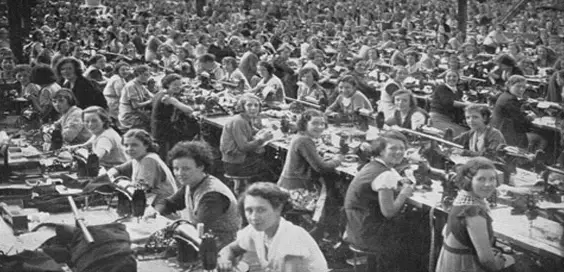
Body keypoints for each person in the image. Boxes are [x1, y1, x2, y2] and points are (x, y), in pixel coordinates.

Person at [344, 130, 427, 272]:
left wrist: (401, 183)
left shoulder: (373, 165)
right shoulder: (385, 174)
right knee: (420, 232)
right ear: (381, 151)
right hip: (369, 234)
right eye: (393, 148)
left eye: (402, 148)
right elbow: (389, 212)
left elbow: (394, 178)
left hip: (356, 227)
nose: (399, 152)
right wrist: (403, 194)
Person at [217, 182, 328, 272]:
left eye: (261, 210)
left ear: (278, 209)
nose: (254, 217)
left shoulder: (291, 242)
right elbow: (231, 249)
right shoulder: (258, 230)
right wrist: (224, 259)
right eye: (249, 210)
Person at [153, 141, 241, 248]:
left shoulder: (213, 196)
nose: (180, 173)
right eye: (176, 169)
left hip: (219, 248)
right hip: (200, 241)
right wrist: (154, 213)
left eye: (186, 169)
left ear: (201, 167)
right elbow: (169, 203)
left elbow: (198, 228)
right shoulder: (192, 183)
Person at [435, 157, 514, 272]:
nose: (488, 184)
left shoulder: (462, 198)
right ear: (469, 181)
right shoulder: (473, 212)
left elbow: (447, 233)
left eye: (492, 179)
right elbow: (486, 260)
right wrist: (498, 264)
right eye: (481, 179)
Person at [278, 110, 342, 216]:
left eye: (322, 124)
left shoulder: (299, 136)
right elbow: (321, 168)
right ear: (304, 124)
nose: (320, 127)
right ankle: (321, 226)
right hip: (296, 192)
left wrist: (320, 155)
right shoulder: (304, 141)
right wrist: (338, 159)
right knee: (334, 195)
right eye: (315, 123)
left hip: (287, 187)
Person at [107, 129, 179, 206]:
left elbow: (141, 189)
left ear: (146, 145)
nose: (129, 149)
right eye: (126, 145)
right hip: (153, 205)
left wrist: (121, 183)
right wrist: (109, 175)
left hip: (163, 209)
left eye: (134, 145)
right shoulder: (137, 158)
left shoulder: (149, 160)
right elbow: (119, 169)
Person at [219, 94, 274, 186]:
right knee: (272, 167)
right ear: (242, 107)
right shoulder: (239, 121)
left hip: (236, 160)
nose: (253, 108)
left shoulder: (245, 119)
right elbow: (244, 147)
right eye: (249, 105)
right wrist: (262, 139)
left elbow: (251, 131)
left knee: (267, 159)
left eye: (256, 105)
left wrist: (263, 131)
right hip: (235, 164)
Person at [151, 73, 197, 159]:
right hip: (163, 130)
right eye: (175, 85)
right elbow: (189, 110)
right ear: (168, 84)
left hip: (156, 127)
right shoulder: (168, 98)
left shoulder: (159, 93)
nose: (178, 87)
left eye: (180, 84)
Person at [491, 75, 538, 150]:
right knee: (542, 139)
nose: (521, 89)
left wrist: (524, 114)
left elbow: (515, 115)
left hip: (501, 131)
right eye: (518, 86)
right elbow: (521, 122)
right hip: (508, 136)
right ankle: (527, 157)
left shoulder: (505, 96)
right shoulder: (510, 100)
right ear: (509, 85)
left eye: (524, 87)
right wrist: (530, 118)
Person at [429, 70, 466, 136]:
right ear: (445, 78)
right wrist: (468, 104)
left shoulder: (459, 92)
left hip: (450, 119)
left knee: (466, 131)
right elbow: (448, 102)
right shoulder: (441, 88)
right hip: (437, 118)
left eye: (454, 76)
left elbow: (458, 108)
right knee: (461, 134)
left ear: (458, 79)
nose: (451, 78)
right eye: (449, 76)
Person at [119, 65, 154, 130]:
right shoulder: (131, 86)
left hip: (136, 113)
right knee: (151, 123)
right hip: (129, 116)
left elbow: (151, 95)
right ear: (138, 74)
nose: (148, 77)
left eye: (148, 75)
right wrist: (150, 101)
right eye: (145, 75)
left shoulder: (140, 84)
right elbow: (135, 105)